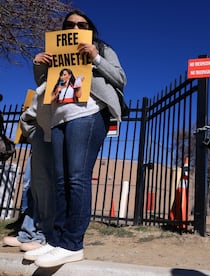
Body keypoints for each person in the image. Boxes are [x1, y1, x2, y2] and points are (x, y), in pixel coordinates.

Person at [24, 9, 127, 268]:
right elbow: (45, 84)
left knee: (77, 178)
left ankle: (72, 244)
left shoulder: (101, 47)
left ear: (89, 29)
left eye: (81, 24)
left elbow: (121, 79)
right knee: (59, 180)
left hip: (89, 112)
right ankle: (56, 240)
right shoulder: (56, 49)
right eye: (69, 24)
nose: (75, 27)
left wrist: (96, 58)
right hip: (58, 117)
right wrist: (39, 64)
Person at [3, 84, 55, 252]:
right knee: (29, 184)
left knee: (45, 187)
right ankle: (27, 233)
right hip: (39, 135)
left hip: (54, 134)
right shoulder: (46, 84)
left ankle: (42, 234)